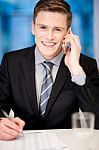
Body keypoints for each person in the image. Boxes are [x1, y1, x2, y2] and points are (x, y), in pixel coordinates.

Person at [0, 0, 99, 141]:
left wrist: (76, 70)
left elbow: (97, 119)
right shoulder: (11, 62)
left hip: (67, 146)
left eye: (57, 29)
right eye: (43, 27)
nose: (50, 36)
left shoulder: (85, 65)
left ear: (68, 33)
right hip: (22, 143)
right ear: (33, 27)